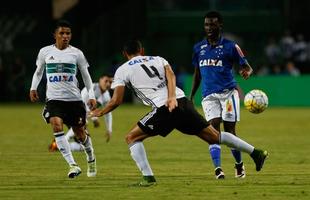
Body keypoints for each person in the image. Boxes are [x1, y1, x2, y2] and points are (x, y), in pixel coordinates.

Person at [90, 40, 268, 186]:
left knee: (131, 138)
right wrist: (173, 96)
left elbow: (116, 100)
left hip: (164, 108)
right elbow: (171, 75)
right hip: (182, 102)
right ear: (142, 50)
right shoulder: (158, 59)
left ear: (124, 54)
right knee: (215, 136)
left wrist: (100, 111)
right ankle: (256, 153)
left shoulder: (122, 69)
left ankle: (148, 178)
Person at [190, 11, 254, 179]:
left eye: (212, 24)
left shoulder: (231, 46)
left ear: (220, 25)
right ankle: (218, 169)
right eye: (206, 24)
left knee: (230, 131)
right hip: (208, 95)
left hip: (228, 93)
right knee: (212, 130)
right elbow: (197, 74)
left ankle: (239, 165)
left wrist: (246, 71)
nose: (209, 27)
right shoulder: (198, 48)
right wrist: (191, 97)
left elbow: (247, 66)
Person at [29, 20, 97, 178]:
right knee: (56, 126)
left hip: (74, 100)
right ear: (55, 35)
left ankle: (91, 157)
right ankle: (73, 165)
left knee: (80, 135)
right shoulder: (45, 52)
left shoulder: (77, 53)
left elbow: (86, 75)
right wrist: (33, 87)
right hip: (54, 99)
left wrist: (91, 95)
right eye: (62, 33)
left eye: (68, 33)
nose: (65, 36)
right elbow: (39, 72)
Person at [48, 74, 113, 152]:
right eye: (106, 81)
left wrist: (109, 129)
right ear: (100, 80)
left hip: (79, 116)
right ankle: (61, 143)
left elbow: (108, 112)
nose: (108, 84)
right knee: (83, 122)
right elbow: (80, 103)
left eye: (110, 82)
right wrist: (94, 118)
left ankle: (59, 146)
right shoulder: (90, 88)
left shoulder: (106, 96)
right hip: (69, 111)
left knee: (86, 145)